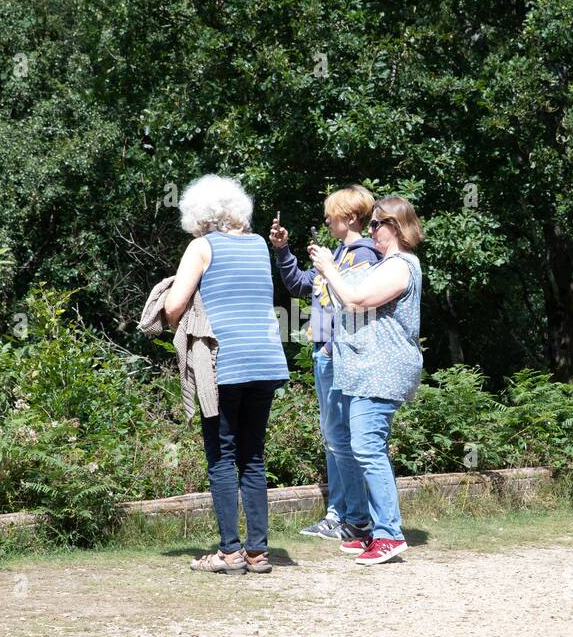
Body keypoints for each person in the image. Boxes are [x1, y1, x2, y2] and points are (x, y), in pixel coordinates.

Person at [164, 175, 289, 575]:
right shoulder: (258, 246)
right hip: (266, 361)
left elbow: (173, 306)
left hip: (224, 365)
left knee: (221, 457)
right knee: (253, 457)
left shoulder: (201, 247)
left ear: (198, 213)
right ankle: (257, 552)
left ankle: (229, 552)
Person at [308, 197, 423, 566]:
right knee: (364, 446)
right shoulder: (387, 263)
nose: (371, 231)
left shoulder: (402, 266)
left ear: (396, 226)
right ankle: (374, 530)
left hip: (382, 370)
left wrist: (329, 266)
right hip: (366, 370)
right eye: (371, 225)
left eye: (376, 224)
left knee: (369, 448)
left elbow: (355, 300)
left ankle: (389, 534)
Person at [268, 185, 382, 544]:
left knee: (341, 437)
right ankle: (338, 514)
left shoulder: (363, 255)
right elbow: (301, 285)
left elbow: (357, 307)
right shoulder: (338, 253)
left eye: (331, 213)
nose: (326, 218)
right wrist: (283, 250)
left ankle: (356, 518)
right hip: (325, 354)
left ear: (350, 217)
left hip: (338, 355)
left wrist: (332, 346)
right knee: (334, 438)